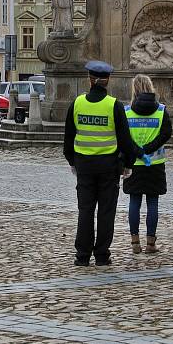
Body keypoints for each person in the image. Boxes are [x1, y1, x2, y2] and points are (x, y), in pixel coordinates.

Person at [64, 61, 143, 267]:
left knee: (85, 210)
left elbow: (68, 138)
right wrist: (128, 163)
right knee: (106, 212)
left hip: (84, 165)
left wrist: (72, 161)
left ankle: (82, 255)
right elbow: (125, 140)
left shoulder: (77, 103)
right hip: (108, 166)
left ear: (89, 80)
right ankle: (101, 254)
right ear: (107, 81)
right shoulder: (114, 105)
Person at [123, 74, 172, 254]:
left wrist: (138, 151)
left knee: (134, 202)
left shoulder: (127, 111)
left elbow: (124, 138)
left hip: (133, 163)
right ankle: (151, 243)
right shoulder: (161, 110)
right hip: (155, 164)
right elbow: (166, 133)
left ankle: (135, 242)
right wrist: (149, 149)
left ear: (134, 89)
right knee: (153, 203)